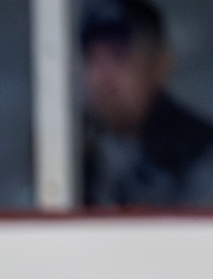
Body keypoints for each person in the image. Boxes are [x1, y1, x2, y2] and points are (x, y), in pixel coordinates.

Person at [80, 0, 213, 207]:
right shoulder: (74, 150)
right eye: (92, 58)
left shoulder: (198, 153)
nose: (103, 77)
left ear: (160, 63)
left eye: (119, 56)